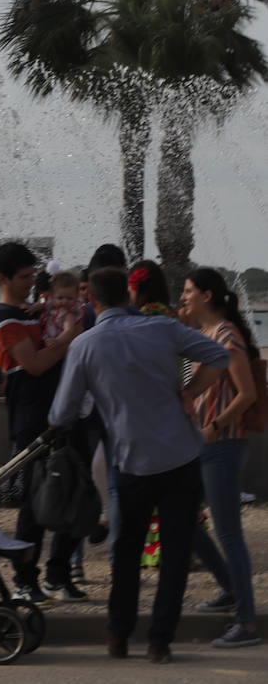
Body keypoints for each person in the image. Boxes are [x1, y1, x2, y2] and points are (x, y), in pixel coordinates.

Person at [49, 266, 229, 663]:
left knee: (126, 553)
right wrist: (190, 391)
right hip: (180, 456)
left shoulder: (85, 345)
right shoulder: (162, 329)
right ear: (127, 296)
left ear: (92, 301)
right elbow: (218, 355)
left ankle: (118, 634)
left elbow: (61, 413)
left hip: (129, 461)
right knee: (176, 553)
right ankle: (160, 641)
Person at [0, 241, 83, 604]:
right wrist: (69, 337)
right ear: (2, 278)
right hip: (30, 418)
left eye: (32, 276)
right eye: (24, 277)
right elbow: (36, 364)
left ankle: (59, 573)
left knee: (70, 492)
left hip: (59, 412)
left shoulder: (30, 311)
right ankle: (26, 578)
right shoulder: (4, 319)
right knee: (34, 501)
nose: (31, 282)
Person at [180, 267, 260, 649]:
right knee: (183, 518)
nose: (184, 297)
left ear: (207, 295)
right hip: (203, 446)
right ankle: (230, 588)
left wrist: (216, 425)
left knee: (229, 534)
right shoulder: (203, 335)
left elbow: (247, 394)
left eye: (189, 291)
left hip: (222, 446)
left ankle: (246, 623)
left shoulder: (227, 336)